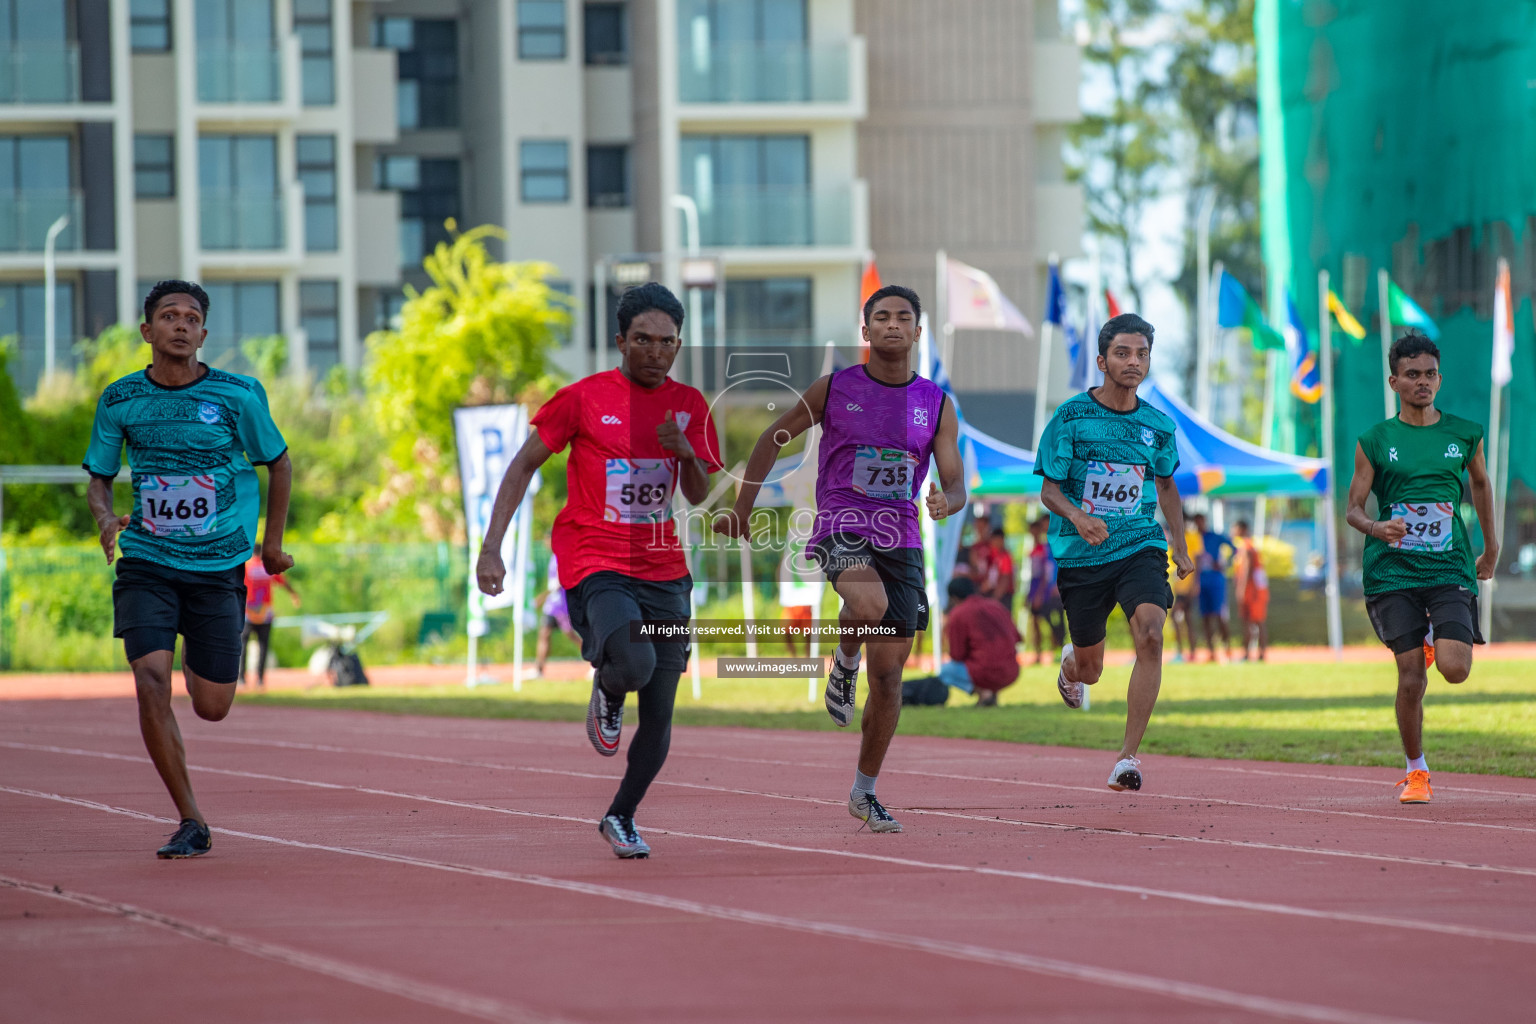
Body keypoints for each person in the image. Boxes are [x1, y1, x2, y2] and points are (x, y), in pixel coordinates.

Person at [476, 283, 723, 857]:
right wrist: (492, 546)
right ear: (620, 341)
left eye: (667, 343)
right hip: (596, 556)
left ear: (679, 346)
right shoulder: (583, 399)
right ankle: (608, 688)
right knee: (632, 662)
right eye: (643, 340)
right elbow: (520, 468)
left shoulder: (691, 406)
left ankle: (622, 816)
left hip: (664, 566)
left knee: (660, 709)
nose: (655, 352)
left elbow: (699, 494)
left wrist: (685, 452)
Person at [718, 285, 966, 833]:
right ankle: (844, 659)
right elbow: (770, 437)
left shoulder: (937, 403)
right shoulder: (835, 388)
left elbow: (955, 479)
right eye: (882, 317)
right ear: (866, 330)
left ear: (918, 332)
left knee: (890, 679)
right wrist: (741, 509)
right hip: (843, 525)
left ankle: (864, 791)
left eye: (904, 318)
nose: (893, 325)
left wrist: (950, 499)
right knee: (868, 602)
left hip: (902, 538)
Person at [83, 280, 293, 858]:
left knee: (211, 706)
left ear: (203, 333)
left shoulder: (239, 395)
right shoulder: (120, 399)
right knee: (150, 679)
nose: (181, 325)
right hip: (147, 561)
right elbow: (99, 476)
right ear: (147, 332)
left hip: (217, 566)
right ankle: (190, 819)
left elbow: (279, 463)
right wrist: (104, 515)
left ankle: (229, 632)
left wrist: (269, 547)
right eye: (169, 316)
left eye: (192, 317)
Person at [1036, 312, 1194, 792]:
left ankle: (1128, 758)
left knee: (1151, 634)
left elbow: (1166, 486)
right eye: (1123, 353)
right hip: (1082, 554)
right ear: (1103, 360)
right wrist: (1080, 517)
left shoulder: (1158, 425)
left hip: (1138, 544)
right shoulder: (1071, 417)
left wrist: (1180, 547)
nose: (1134, 362)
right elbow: (1048, 490)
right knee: (1092, 670)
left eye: (1142, 354)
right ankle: (1071, 665)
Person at [1344, 332, 1497, 805]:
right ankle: (1417, 771)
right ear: (1394, 381)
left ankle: (1434, 637)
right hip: (1392, 571)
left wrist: (1491, 550)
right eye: (1412, 375)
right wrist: (1375, 527)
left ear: (1440, 378)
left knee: (1454, 669)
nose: (1422, 382)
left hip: (1449, 565)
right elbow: (1352, 508)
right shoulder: (1375, 441)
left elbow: (1482, 487)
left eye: (1430, 374)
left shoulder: (1465, 434)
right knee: (1411, 678)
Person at [941, 576, 1021, 706]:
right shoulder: (996, 606)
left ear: (954, 597)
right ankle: (991, 693)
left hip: (982, 672)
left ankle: (984, 693)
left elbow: (957, 654)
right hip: (1011, 670)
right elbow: (1018, 637)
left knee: (946, 671)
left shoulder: (958, 613)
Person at [241, 541, 299, 690]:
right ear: (262, 553)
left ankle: (241, 678)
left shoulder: (247, 567)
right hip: (266, 612)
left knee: (243, 646)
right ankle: (260, 679)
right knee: (263, 645)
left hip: (249, 611)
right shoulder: (267, 568)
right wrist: (294, 595)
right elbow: (283, 582)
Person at [1191, 511, 1235, 662]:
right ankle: (1211, 652)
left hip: (1216, 582)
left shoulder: (1215, 536)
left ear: (1205, 521)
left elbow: (1234, 549)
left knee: (1219, 615)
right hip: (1201, 582)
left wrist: (1224, 563)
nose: (1198, 524)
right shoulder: (1193, 538)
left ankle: (1227, 648)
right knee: (1205, 618)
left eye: (1200, 521)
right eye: (1196, 522)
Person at [532, 553, 578, 679]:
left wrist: (541, 598)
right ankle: (539, 670)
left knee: (571, 635)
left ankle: (595, 663)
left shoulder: (563, 556)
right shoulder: (553, 558)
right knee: (544, 634)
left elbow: (559, 584)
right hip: (551, 606)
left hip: (562, 606)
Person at [1025, 516, 1064, 664]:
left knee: (1056, 621)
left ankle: (1059, 649)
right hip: (1044, 591)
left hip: (1053, 590)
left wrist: (1057, 584)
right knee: (1042, 620)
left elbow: (1055, 567)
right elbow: (1041, 572)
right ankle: (1045, 651)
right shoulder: (1042, 547)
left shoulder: (1056, 544)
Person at [1230, 520, 1269, 662]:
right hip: (1255, 590)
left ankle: (1256, 654)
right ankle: (1252, 653)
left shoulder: (1246, 547)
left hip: (1253, 591)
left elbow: (1247, 569)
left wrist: (1241, 589)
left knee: (1255, 621)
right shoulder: (1247, 546)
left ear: (1242, 528)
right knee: (1252, 622)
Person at [1167, 516, 1202, 663]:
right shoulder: (1174, 538)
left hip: (1188, 583)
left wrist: (1196, 583)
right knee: (1186, 618)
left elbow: (1198, 559)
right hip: (1179, 584)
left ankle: (1183, 652)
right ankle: (1189, 653)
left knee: (1178, 616)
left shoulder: (1192, 536)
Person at [984, 527, 1016, 611]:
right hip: (995, 594)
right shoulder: (994, 556)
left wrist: (995, 598)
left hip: (1004, 596)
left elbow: (1005, 579)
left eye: (997, 540)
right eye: (994, 540)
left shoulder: (1005, 557)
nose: (995, 543)